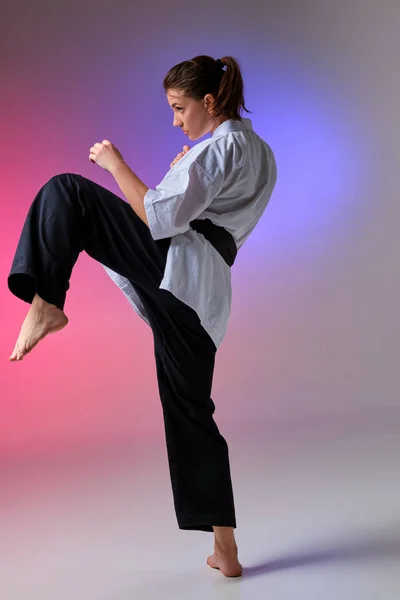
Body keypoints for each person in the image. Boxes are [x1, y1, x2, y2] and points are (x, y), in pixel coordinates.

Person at [7, 55, 277, 577]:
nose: (176, 120)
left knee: (68, 192)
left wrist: (114, 163)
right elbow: (207, 209)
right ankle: (227, 550)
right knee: (191, 410)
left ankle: (47, 303)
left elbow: (157, 215)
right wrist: (185, 168)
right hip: (205, 296)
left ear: (209, 102)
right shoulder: (258, 151)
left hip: (181, 268)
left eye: (180, 108)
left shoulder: (222, 147)